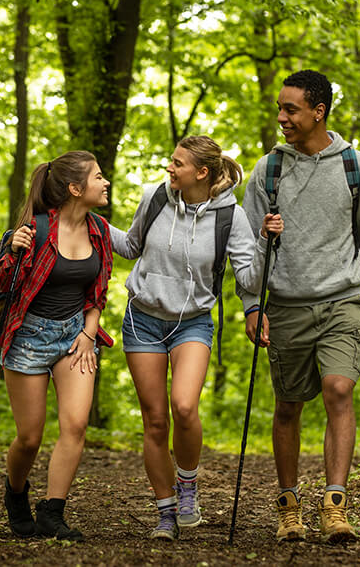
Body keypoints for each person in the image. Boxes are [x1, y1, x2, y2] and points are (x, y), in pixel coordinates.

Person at [239, 70, 360, 544]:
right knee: (288, 407)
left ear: (318, 111)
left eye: (291, 109)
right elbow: (246, 249)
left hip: (344, 299)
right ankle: (289, 509)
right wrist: (250, 305)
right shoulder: (268, 170)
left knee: (338, 389)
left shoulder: (356, 166)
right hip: (284, 305)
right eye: (280, 108)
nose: (281, 117)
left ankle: (335, 507)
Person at [110, 135, 283, 541]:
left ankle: (187, 485)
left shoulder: (230, 216)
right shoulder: (155, 197)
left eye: (178, 164)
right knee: (154, 421)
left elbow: (249, 279)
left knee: (184, 407)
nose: (169, 168)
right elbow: (131, 245)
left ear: (201, 173)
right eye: (171, 161)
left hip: (192, 322)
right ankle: (166, 512)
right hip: (143, 319)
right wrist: (86, 219)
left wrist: (264, 242)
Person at [0, 150, 113, 541]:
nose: (105, 182)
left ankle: (52, 511)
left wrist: (88, 333)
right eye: (98, 177)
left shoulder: (100, 231)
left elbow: (98, 293)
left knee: (76, 425)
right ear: (75, 189)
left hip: (74, 337)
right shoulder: (36, 231)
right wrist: (12, 250)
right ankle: (15, 494)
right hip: (28, 338)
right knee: (29, 437)